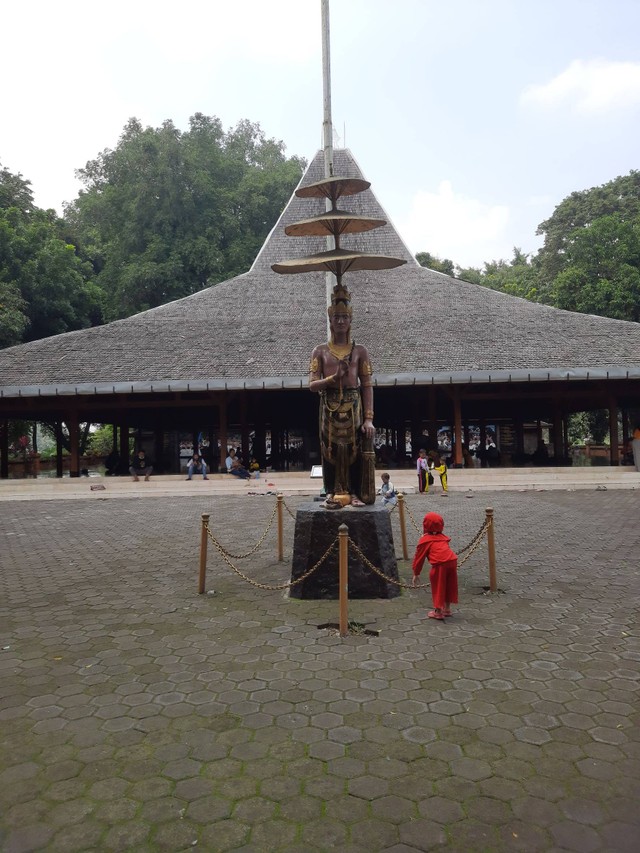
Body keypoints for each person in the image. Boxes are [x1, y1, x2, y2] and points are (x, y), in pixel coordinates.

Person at [309, 282, 375, 509]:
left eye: (344, 317)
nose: (340, 321)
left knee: (354, 449)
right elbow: (312, 385)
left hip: (353, 403)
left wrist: (368, 418)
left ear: (350, 320)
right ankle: (333, 492)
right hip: (328, 405)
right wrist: (332, 379)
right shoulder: (320, 351)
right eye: (336, 317)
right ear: (330, 320)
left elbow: (367, 385)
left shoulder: (360, 351)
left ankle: (354, 492)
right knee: (331, 450)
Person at [411, 511, 458, 620]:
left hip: (440, 564)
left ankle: (438, 611)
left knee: (438, 585)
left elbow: (419, 558)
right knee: (449, 585)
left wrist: (416, 573)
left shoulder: (425, 541)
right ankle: (447, 609)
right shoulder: (443, 537)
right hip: (452, 561)